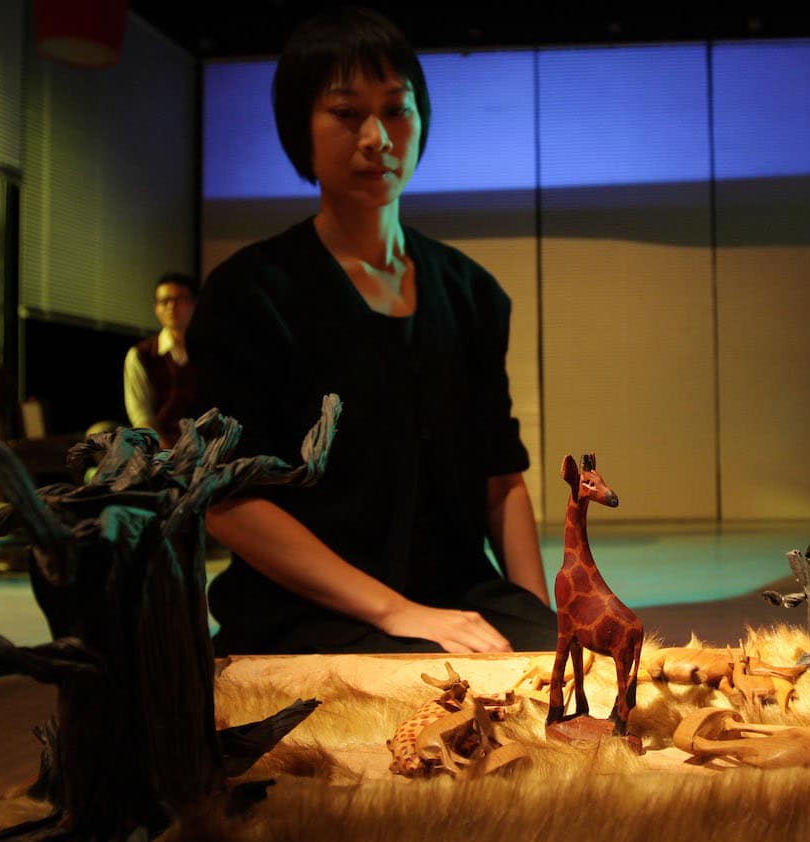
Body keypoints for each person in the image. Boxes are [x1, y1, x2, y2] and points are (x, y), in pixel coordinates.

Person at [186, 7, 557, 656]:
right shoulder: (249, 292)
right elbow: (228, 502)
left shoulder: (469, 291)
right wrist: (398, 611)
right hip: (304, 610)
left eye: (395, 109)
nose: (376, 137)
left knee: (593, 676)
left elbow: (500, 478)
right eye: (346, 112)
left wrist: (538, 625)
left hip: (456, 596)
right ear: (299, 127)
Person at [124, 273, 198, 448]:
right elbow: (141, 415)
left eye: (180, 299)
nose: (172, 307)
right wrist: (168, 452)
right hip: (158, 445)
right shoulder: (141, 354)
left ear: (194, 304)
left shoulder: (210, 353)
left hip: (204, 444)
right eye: (165, 301)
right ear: (156, 308)